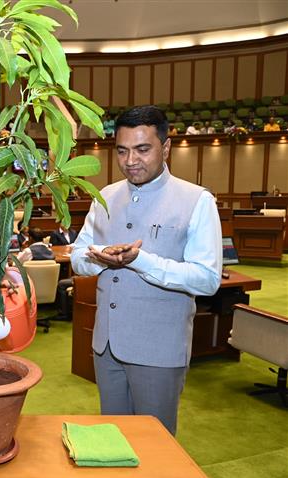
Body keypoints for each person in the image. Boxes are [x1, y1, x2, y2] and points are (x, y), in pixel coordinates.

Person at [71, 105, 222, 435]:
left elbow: (207, 279)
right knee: (113, 442)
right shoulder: (105, 196)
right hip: (106, 346)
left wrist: (141, 261)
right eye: (122, 151)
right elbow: (78, 258)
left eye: (142, 149)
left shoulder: (197, 201)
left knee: (156, 451)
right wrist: (100, 258)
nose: (130, 161)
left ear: (165, 148)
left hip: (158, 350)